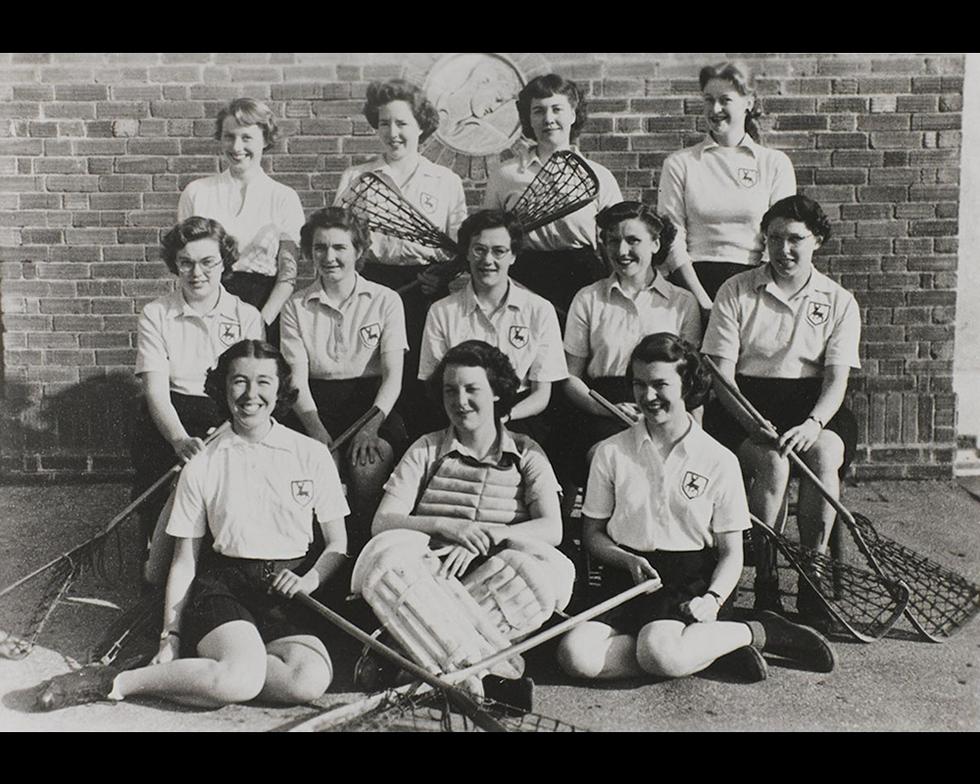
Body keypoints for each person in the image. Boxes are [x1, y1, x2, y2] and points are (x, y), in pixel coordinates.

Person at [36, 340, 350, 711]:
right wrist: (171, 635)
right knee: (242, 677)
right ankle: (114, 681)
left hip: (290, 591)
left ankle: (213, 671)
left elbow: (337, 545)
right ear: (223, 387)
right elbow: (184, 560)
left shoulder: (310, 453)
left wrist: (309, 580)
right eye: (239, 381)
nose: (251, 394)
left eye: (264, 382)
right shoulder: (204, 461)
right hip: (225, 589)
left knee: (306, 681)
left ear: (281, 388)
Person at [556, 333, 835, 684]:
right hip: (626, 578)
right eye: (639, 385)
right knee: (575, 655)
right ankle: (705, 652)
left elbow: (731, 552)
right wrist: (624, 559)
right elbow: (593, 535)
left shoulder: (718, 459)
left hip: (691, 584)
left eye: (660, 384)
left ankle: (757, 631)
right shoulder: (610, 453)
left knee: (657, 648)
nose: (648, 396)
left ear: (687, 385)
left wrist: (714, 599)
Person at [702, 195, 860, 615]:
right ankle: (765, 578)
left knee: (825, 453)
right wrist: (750, 422)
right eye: (774, 239)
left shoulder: (839, 300)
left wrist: (813, 423)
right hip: (744, 404)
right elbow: (721, 376)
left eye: (795, 239)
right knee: (772, 463)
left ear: (817, 241)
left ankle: (812, 574)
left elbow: (837, 379)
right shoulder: (736, 289)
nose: (784, 250)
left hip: (812, 404)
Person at [334, 79, 467, 436]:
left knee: (423, 379)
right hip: (373, 288)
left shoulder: (445, 180)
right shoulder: (357, 177)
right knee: (375, 375)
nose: (393, 133)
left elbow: (461, 247)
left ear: (421, 125)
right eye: (384, 124)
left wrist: (443, 273)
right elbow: (339, 242)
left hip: (426, 289)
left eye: (402, 123)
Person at [374, 340, 566, 579]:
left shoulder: (526, 451)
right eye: (450, 390)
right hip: (431, 575)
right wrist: (445, 526)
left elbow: (552, 528)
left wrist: (488, 536)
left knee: (556, 569)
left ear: (496, 392)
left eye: (472, 389)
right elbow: (382, 522)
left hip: (502, 575)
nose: (460, 401)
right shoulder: (426, 448)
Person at [280, 207, 408, 553]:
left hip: (370, 405)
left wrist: (370, 426)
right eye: (320, 248)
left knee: (368, 462)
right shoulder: (295, 306)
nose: (329, 257)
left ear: (359, 251)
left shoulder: (386, 300)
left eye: (339, 248)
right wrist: (318, 434)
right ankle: (314, 554)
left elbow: (394, 377)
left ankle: (364, 548)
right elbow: (296, 383)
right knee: (309, 468)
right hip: (314, 408)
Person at [131, 216, 264, 548]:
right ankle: (155, 560)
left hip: (227, 412)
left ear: (224, 263)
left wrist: (231, 425)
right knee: (161, 484)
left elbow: (250, 386)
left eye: (207, 262)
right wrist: (178, 440)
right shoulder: (155, 314)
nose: (197, 272)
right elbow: (156, 391)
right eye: (186, 263)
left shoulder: (246, 316)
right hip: (172, 412)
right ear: (175, 266)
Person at [562, 201, 700, 479]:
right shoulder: (588, 298)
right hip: (602, 411)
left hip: (665, 408)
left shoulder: (682, 302)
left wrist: (695, 434)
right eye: (613, 241)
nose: (621, 251)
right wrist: (604, 408)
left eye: (633, 240)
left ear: (655, 243)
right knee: (615, 461)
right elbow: (570, 378)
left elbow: (691, 380)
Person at [658, 62, 797, 317]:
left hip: (755, 286)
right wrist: (701, 301)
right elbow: (671, 239)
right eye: (708, 100)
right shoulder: (679, 164)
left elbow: (780, 237)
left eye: (725, 100)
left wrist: (752, 295)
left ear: (748, 102)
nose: (715, 109)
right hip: (693, 286)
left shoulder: (774, 164)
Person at [417, 210, 567, 443]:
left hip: (518, 416)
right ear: (467, 253)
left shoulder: (539, 309)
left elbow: (541, 395)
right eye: (479, 249)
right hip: (457, 415)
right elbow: (434, 386)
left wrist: (500, 419)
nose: (488, 260)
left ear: (513, 256)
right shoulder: (442, 311)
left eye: (499, 251)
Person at [483, 73, 623, 317]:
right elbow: (487, 235)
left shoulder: (599, 176)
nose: (548, 119)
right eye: (538, 111)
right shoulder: (505, 175)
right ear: (528, 118)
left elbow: (618, 239)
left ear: (572, 113)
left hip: (583, 280)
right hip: (523, 279)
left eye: (556, 109)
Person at [178, 97, 304, 343]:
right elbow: (184, 264)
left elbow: (288, 276)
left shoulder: (284, 198)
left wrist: (259, 322)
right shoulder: (197, 192)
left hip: (263, 309)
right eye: (229, 136)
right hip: (207, 307)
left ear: (266, 140)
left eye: (246, 138)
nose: (236, 147)